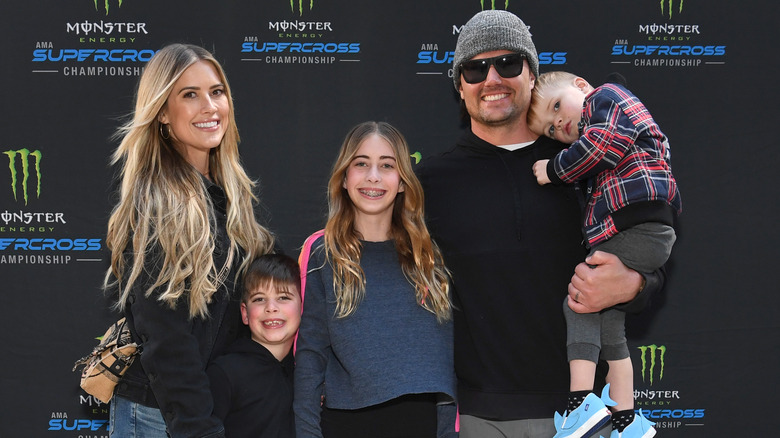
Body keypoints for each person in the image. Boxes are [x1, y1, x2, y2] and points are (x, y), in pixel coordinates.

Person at [416, 10, 667, 438]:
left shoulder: (590, 162)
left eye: (508, 63)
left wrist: (636, 284)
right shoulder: (428, 182)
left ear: (532, 73)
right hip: (476, 415)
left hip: (587, 414)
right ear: (460, 86)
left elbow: (648, 244)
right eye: (475, 69)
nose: (492, 78)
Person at [104, 43, 275, 438]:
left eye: (216, 91)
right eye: (189, 95)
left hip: (199, 411)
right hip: (161, 417)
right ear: (162, 112)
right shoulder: (157, 203)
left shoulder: (226, 196)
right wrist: (199, 428)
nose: (210, 106)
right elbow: (165, 336)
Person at [528, 71, 681, 438]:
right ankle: (627, 421)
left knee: (578, 302)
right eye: (551, 129)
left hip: (639, 226)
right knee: (609, 324)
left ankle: (581, 403)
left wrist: (553, 169)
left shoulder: (607, 99)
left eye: (556, 106)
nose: (560, 124)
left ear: (581, 86)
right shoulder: (600, 130)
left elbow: (601, 147)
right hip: (643, 229)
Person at [293, 121, 457, 438]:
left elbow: (444, 356)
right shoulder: (323, 253)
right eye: (361, 164)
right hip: (344, 424)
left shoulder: (430, 254)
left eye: (387, 165)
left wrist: (448, 431)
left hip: (419, 423)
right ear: (343, 177)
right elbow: (311, 355)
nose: (373, 177)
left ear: (402, 182)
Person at [206, 253, 301, 438]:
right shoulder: (225, 372)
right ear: (245, 313)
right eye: (259, 299)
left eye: (283, 297)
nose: (271, 307)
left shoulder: (309, 373)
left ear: (303, 306)